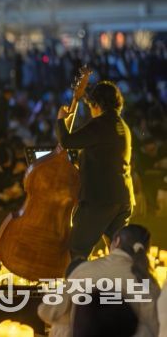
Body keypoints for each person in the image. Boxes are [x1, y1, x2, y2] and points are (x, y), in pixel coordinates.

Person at [56, 81, 135, 274]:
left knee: (78, 249)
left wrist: (60, 120)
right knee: (119, 255)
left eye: (91, 106)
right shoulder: (121, 125)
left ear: (97, 104)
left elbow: (67, 141)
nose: (91, 110)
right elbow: (104, 157)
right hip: (122, 199)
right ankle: (121, 291)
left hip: (100, 199)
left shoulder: (100, 124)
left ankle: (79, 292)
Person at [38, 225, 161, 337]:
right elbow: (156, 327)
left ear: (117, 241)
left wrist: (71, 320)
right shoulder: (147, 283)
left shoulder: (84, 270)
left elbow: (46, 311)